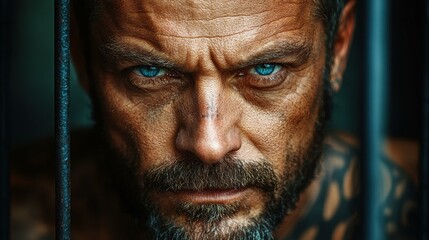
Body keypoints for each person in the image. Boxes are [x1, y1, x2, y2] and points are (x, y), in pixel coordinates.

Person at [10, 0, 418, 239]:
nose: (209, 144)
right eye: (149, 73)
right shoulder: (20, 212)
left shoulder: (413, 207)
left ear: (339, 48)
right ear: (81, 60)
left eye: (266, 71)